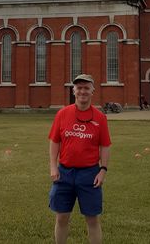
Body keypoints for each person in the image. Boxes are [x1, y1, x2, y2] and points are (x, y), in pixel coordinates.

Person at [48, 74, 111, 244]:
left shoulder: (100, 118)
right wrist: (53, 167)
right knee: (61, 217)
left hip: (89, 174)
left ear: (92, 91)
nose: (82, 91)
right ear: (73, 90)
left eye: (86, 88)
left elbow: (105, 146)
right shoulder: (62, 114)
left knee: (92, 219)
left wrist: (102, 170)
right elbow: (54, 141)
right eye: (79, 88)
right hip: (64, 173)